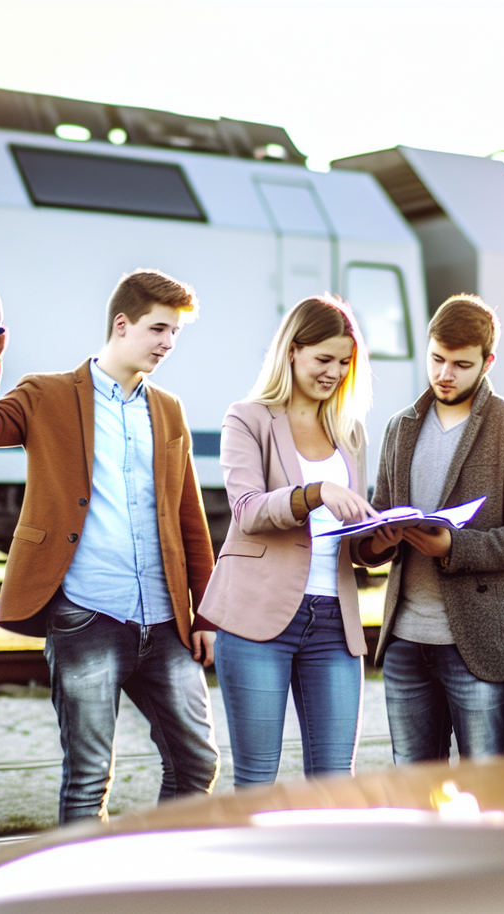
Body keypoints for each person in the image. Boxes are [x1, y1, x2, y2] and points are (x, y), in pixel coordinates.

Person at [0, 259, 219, 823]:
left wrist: (206, 615)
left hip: (166, 623)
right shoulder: (47, 394)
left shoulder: (168, 410)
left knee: (197, 763)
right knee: (89, 778)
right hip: (87, 615)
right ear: (122, 324)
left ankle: (160, 868)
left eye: (175, 332)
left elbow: (189, 518)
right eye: (158, 328)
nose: (168, 342)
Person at [193, 295, 392, 787]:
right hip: (257, 620)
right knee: (257, 781)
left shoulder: (350, 432)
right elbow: (248, 511)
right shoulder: (248, 418)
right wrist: (315, 493)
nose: (334, 373)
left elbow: (352, 544)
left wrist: (383, 540)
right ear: (292, 351)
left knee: (335, 783)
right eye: (324, 359)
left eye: (344, 363)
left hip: (334, 624)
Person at [355, 294, 504, 763]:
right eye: (437, 359)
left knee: (485, 786)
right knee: (413, 786)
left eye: (461, 365)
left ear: (488, 362)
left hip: (481, 646)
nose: (445, 374)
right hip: (406, 642)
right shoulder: (400, 427)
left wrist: (453, 545)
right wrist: (374, 543)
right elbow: (381, 512)